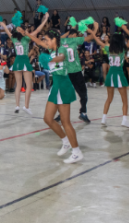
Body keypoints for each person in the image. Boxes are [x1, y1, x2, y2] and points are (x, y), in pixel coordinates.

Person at [25, 28, 82, 163]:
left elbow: (62, 57)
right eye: (45, 40)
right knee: (48, 118)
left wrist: (51, 60)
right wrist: (27, 33)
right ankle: (65, 141)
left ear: (54, 40)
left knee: (65, 122)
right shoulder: (50, 50)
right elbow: (38, 41)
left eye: (47, 40)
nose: (45, 42)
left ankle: (76, 152)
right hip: (55, 85)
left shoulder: (61, 49)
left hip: (63, 85)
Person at [1, 15, 47, 115]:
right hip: (25, 61)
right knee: (28, 85)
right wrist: (45, 20)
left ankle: (17, 105)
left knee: (18, 85)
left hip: (17, 61)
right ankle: (26, 106)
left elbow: (8, 32)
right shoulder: (26, 38)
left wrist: (4, 26)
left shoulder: (13, 39)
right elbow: (38, 30)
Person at [94, 22, 129, 128]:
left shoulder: (108, 49)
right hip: (119, 75)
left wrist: (93, 31)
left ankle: (103, 119)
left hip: (110, 75)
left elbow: (98, 40)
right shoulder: (123, 49)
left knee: (109, 98)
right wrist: (125, 29)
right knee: (124, 100)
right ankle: (124, 120)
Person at [55, 21, 99, 122]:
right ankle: (83, 112)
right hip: (75, 71)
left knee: (64, 94)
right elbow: (91, 37)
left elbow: (59, 38)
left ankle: (61, 114)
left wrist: (68, 32)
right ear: (74, 35)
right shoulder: (75, 40)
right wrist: (93, 29)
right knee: (83, 93)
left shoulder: (62, 41)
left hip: (66, 72)